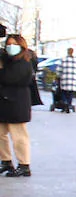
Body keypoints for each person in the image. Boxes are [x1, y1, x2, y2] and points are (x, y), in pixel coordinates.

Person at [1, 33, 37, 178]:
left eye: (14, 44)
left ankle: (24, 164)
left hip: (17, 103)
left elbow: (10, 78)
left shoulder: (25, 62)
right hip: (3, 103)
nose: (11, 47)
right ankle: (6, 161)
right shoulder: (7, 60)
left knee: (19, 136)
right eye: (8, 44)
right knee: (1, 135)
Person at [54, 48, 76, 114]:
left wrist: (58, 76)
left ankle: (64, 102)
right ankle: (69, 104)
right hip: (73, 80)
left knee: (63, 92)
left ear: (67, 52)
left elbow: (58, 70)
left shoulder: (63, 60)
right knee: (71, 93)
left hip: (64, 79)